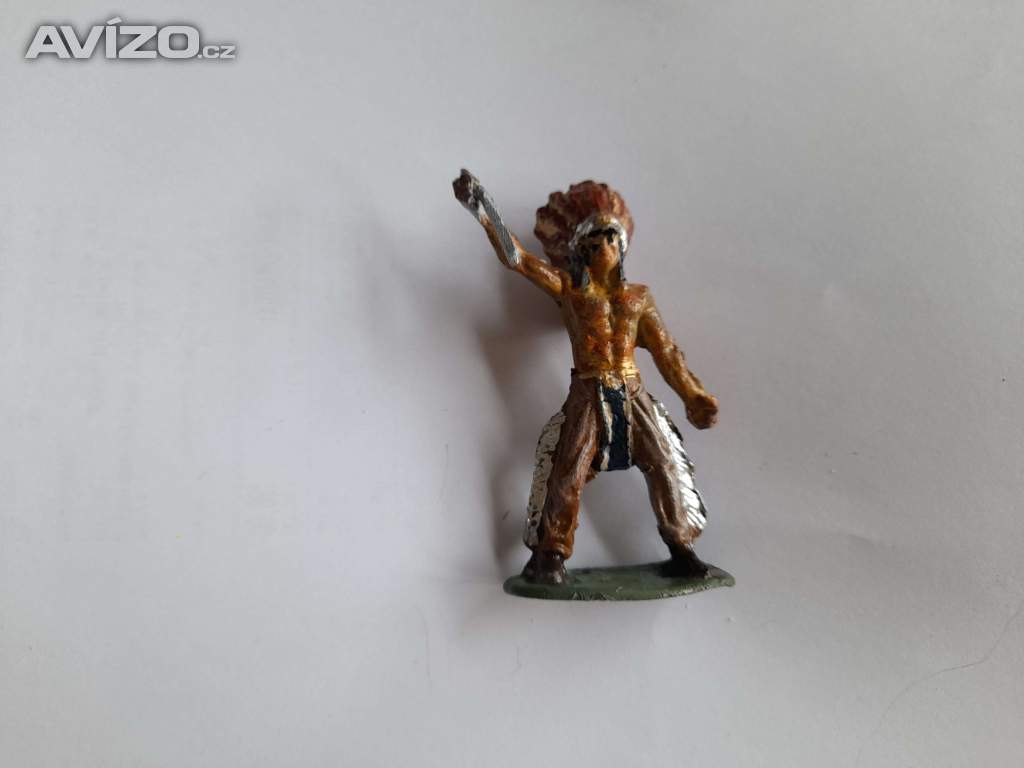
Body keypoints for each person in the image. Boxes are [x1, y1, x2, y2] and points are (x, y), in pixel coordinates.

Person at [454, 171, 719, 584]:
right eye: (593, 241)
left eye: (611, 238)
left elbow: (666, 351)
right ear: (579, 250)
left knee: (664, 462)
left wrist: (692, 395)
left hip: (633, 392)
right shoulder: (570, 291)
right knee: (568, 470)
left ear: (622, 245)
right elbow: (518, 259)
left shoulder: (638, 298)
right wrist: (484, 212)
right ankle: (550, 555)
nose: (603, 247)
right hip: (588, 392)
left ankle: (682, 546)